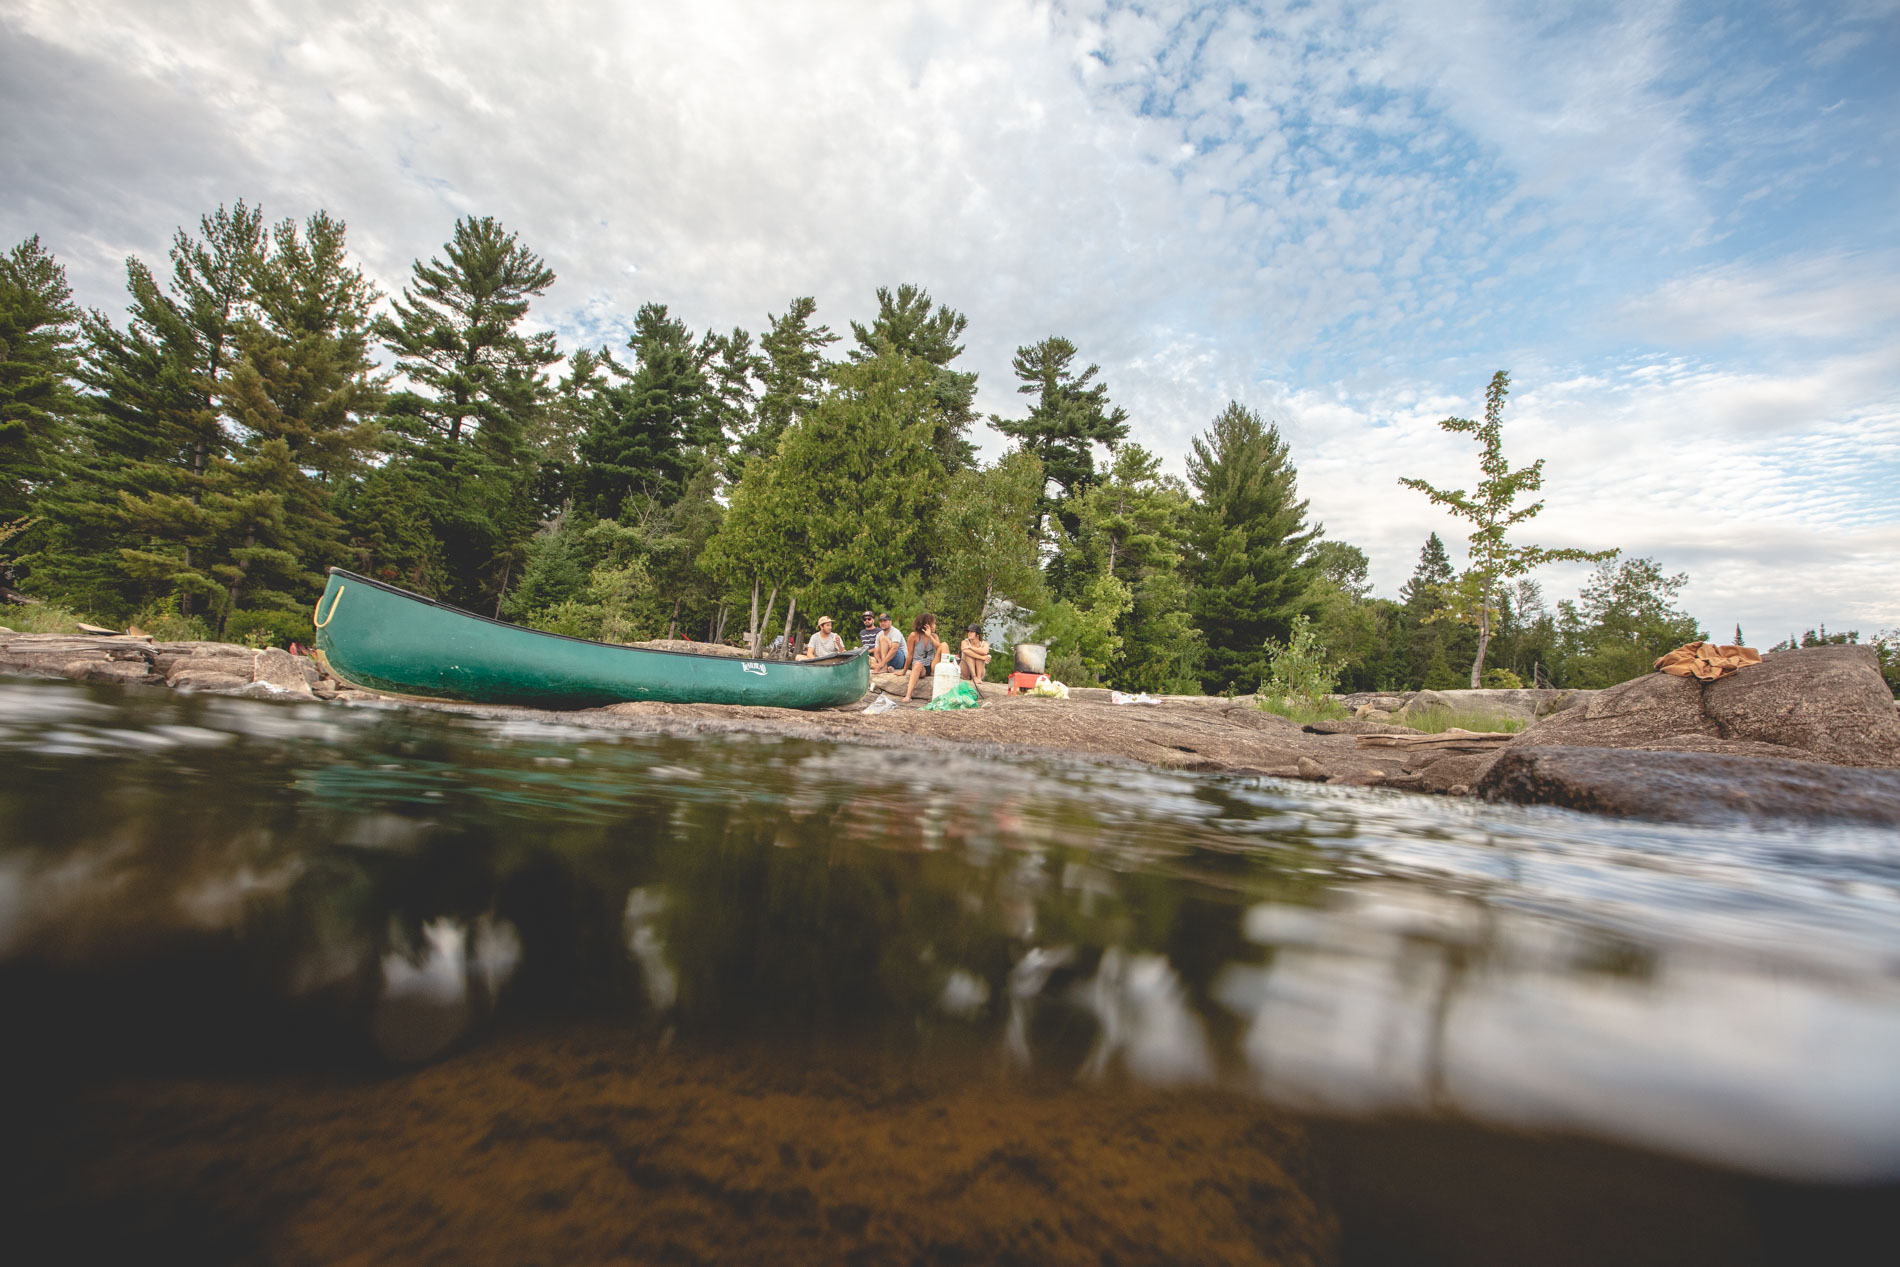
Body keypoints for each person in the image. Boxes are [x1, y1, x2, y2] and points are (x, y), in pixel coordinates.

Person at [901, 612, 940, 701]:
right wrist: (904, 671)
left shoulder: (934, 636)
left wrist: (930, 636)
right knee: (918, 664)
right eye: (933, 624)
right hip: (921, 667)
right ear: (927, 625)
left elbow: (940, 650)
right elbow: (909, 655)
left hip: (932, 665)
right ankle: (908, 695)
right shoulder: (914, 636)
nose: (935, 626)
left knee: (944, 645)